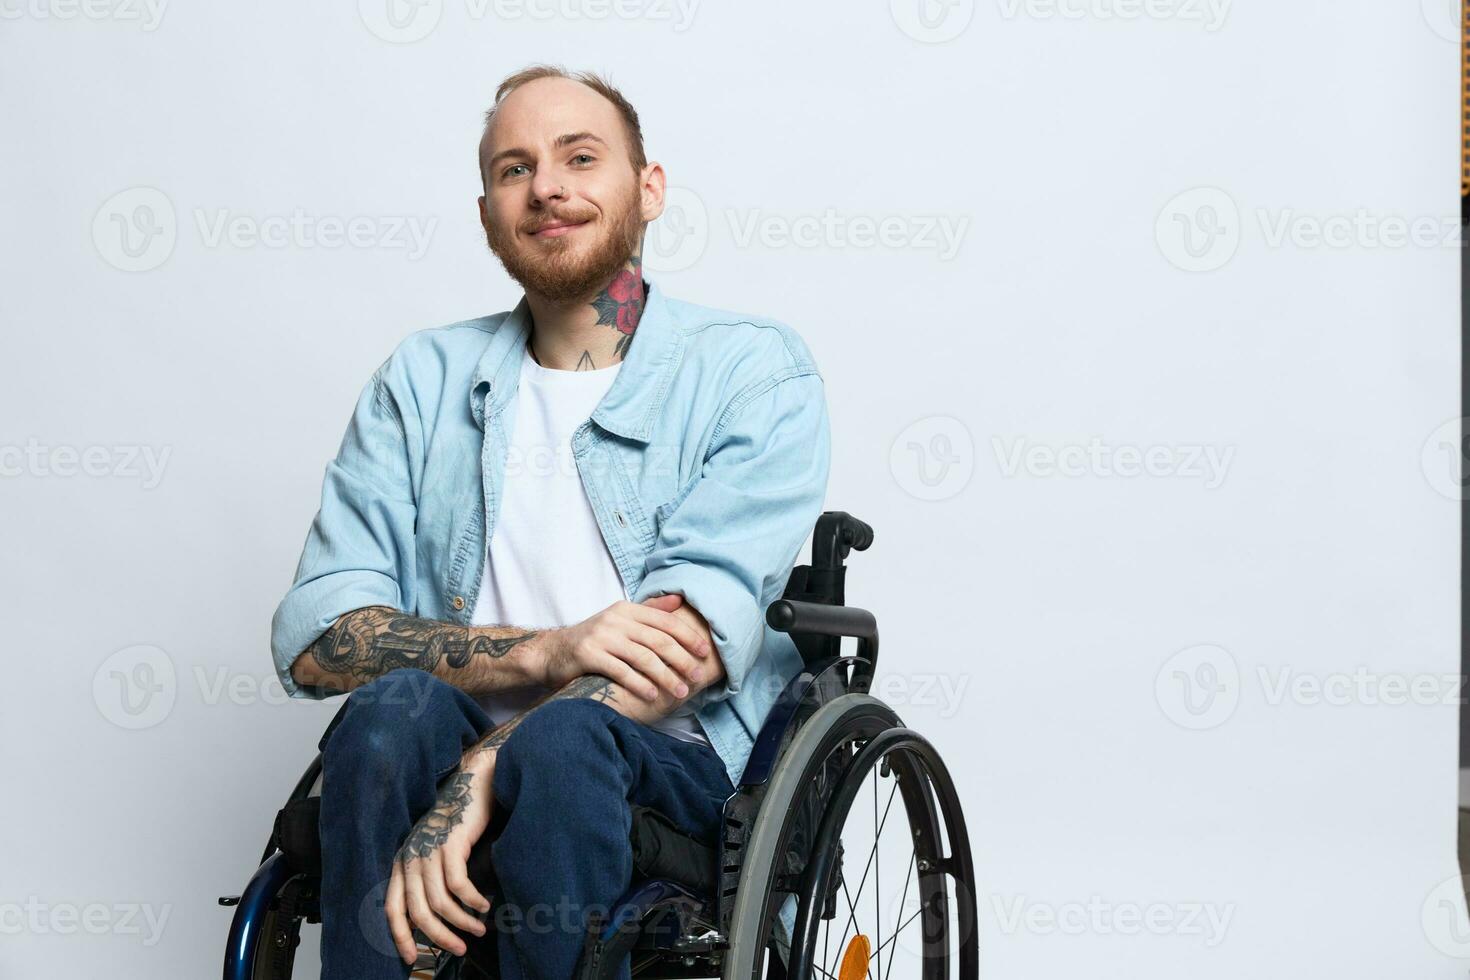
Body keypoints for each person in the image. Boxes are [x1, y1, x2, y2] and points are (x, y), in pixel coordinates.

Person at [269, 64, 832, 979]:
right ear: (489, 212)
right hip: (444, 739)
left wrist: (484, 772)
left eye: (580, 156)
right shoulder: (422, 380)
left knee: (564, 746)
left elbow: (680, 647)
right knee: (386, 715)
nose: (549, 188)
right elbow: (318, 639)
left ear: (647, 189)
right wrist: (543, 652)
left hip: (671, 762)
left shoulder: (752, 374)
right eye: (514, 168)